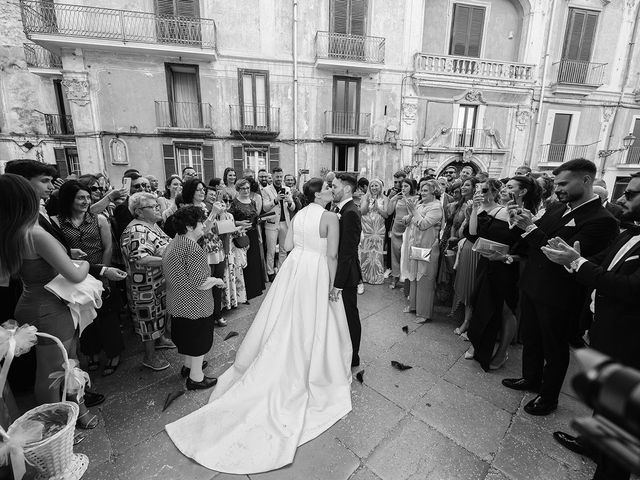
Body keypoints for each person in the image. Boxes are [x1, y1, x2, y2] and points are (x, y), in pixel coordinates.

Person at [165, 178, 352, 474]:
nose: (332, 190)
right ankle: (314, 366)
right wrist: (333, 285)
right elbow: (331, 255)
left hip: (294, 270)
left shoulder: (301, 213)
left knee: (285, 318)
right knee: (314, 320)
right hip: (315, 270)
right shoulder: (330, 217)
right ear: (319, 194)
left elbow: (287, 245)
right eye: (328, 188)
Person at [541, 171, 640, 480]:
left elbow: (627, 288)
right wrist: (572, 257)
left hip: (630, 341)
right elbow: (601, 260)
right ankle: (593, 444)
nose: (624, 196)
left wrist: (576, 263)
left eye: (633, 193)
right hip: (606, 328)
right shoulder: (629, 232)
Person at [502, 159, 619, 415]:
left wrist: (530, 227)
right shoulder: (557, 208)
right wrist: (519, 222)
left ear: (586, 180)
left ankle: (548, 397)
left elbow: (560, 254)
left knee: (554, 348)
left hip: (560, 294)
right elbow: (533, 240)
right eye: (556, 184)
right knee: (531, 338)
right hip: (533, 285)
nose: (558, 188)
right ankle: (530, 378)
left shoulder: (603, 220)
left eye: (564, 183)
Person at [1, 174, 98, 428]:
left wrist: (65, 255)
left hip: (31, 300)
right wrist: (85, 262)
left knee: (63, 364)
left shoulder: (12, 231)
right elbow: (75, 275)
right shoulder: (35, 233)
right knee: (51, 372)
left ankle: (76, 413)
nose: (45, 194)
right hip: (50, 307)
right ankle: (55, 428)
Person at [466, 177, 539, 371]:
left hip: (507, 268)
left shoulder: (526, 216)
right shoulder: (497, 210)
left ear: (522, 192)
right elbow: (473, 235)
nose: (503, 189)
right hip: (487, 263)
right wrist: (474, 209)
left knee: (506, 310)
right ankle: (478, 344)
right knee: (480, 303)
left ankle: (501, 352)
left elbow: (528, 249)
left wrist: (508, 258)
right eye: (504, 186)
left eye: (509, 187)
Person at [54, 180, 124, 376]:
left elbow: (108, 247)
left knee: (107, 315)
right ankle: (91, 352)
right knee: (83, 317)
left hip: (100, 271)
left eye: (87, 197)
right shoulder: (57, 222)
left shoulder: (98, 219)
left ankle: (114, 353)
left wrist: (104, 272)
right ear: (69, 199)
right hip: (73, 275)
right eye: (80, 198)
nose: (85, 201)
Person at [163, 206, 224, 390]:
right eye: (200, 222)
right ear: (190, 226)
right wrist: (217, 280)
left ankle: (189, 366)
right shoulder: (193, 249)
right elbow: (200, 282)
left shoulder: (175, 242)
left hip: (177, 301)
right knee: (199, 341)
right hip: (195, 304)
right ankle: (196, 378)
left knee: (186, 338)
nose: (203, 225)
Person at [120, 192, 176, 371]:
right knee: (148, 320)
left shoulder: (152, 225)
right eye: (153, 207)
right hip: (144, 286)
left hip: (157, 282)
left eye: (157, 205)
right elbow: (141, 259)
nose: (158, 208)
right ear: (139, 211)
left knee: (158, 315)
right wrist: (171, 260)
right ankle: (149, 357)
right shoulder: (136, 230)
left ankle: (160, 340)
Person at [331, 173, 363, 367]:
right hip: (342, 270)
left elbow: (348, 252)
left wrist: (338, 284)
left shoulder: (350, 212)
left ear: (347, 189)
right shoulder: (341, 208)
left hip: (347, 274)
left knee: (350, 315)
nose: (332, 189)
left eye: (335, 186)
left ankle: (354, 356)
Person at [400, 179, 443, 323]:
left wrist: (413, 211)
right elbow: (409, 220)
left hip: (428, 248)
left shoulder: (436, 207)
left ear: (434, 192)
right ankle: (413, 306)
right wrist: (407, 218)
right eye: (421, 190)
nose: (421, 193)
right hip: (415, 246)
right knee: (414, 276)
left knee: (425, 278)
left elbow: (423, 224)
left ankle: (424, 313)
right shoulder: (419, 204)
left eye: (425, 190)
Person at [228, 179, 265, 300]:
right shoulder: (234, 203)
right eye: (243, 188)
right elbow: (228, 219)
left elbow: (255, 217)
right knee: (244, 262)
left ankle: (256, 289)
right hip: (241, 235)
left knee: (254, 261)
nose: (246, 190)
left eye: (248, 188)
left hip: (253, 234)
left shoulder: (253, 202)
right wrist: (239, 223)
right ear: (238, 189)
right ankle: (246, 292)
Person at [261, 168, 296, 282]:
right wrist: (275, 200)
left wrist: (289, 202)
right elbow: (265, 208)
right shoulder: (266, 190)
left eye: (281, 177)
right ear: (272, 176)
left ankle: (281, 270)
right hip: (271, 223)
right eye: (277, 177)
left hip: (285, 223)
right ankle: (270, 272)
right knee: (271, 250)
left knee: (283, 249)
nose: (279, 179)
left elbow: (293, 207)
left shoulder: (287, 189)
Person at [387, 178, 417, 290]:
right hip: (396, 228)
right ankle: (394, 278)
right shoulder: (397, 198)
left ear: (411, 187)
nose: (403, 188)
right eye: (402, 186)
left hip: (407, 229)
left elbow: (413, 214)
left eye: (406, 186)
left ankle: (406, 279)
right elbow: (389, 212)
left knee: (406, 254)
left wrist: (407, 201)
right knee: (395, 254)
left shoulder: (415, 199)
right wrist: (392, 199)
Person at [359, 179, 388, 285]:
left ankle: (376, 277)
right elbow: (362, 212)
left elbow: (386, 215)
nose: (374, 188)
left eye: (376, 185)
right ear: (369, 188)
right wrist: (366, 202)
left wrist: (378, 208)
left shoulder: (385, 199)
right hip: (367, 228)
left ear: (380, 187)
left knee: (377, 253)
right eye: (372, 186)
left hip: (378, 229)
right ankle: (364, 276)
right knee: (365, 252)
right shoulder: (364, 197)